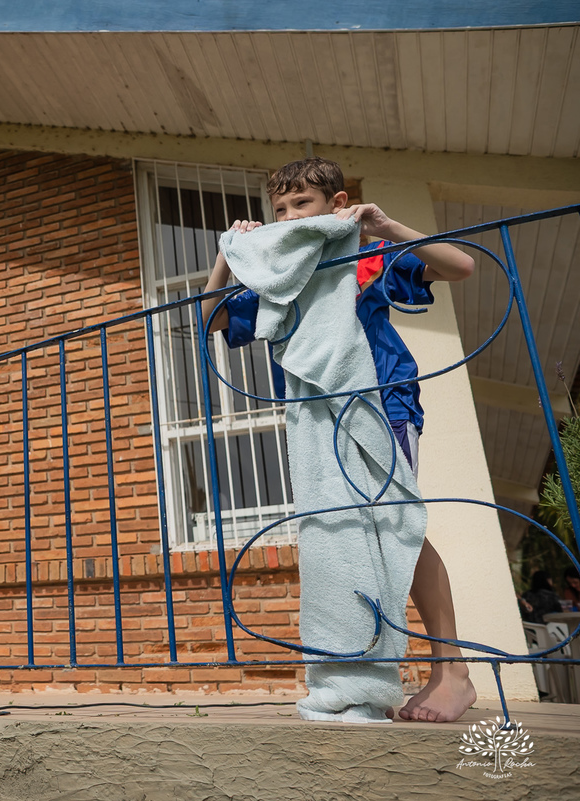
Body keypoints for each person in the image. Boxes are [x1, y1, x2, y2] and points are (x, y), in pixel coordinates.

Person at [201, 156, 477, 723]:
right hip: (316, 417)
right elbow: (212, 320)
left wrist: (386, 225)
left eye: (302, 203)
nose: (289, 215)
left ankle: (454, 673)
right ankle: (358, 673)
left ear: (336, 203)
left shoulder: (367, 257)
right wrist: (229, 257)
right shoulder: (284, 277)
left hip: (383, 405)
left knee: (400, 526)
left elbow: (461, 266)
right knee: (343, 539)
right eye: (279, 208)